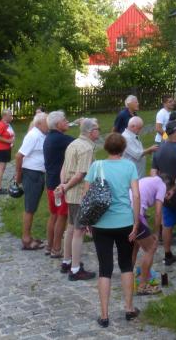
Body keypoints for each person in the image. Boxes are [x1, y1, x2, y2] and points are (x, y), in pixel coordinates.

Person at [84, 133, 141, 327]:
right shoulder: (129, 166)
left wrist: (88, 221)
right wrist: (136, 222)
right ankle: (129, 308)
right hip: (124, 221)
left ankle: (104, 314)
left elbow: (87, 195)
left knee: (104, 268)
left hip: (101, 223)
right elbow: (136, 194)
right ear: (123, 149)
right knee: (126, 265)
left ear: (106, 148)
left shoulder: (96, 166)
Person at [56, 118, 99, 281]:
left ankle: (67, 261)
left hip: (70, 192)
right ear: (91, 131)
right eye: (98, 129)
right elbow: (81, 174)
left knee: (72, 227)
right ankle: (75, 269)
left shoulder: (73, 144)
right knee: (79, 231)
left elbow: (64, 168)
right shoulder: (87, 148)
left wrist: (63, 185)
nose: (99, 132)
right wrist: (65, 187)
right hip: (79, 193)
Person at [151, 120, 176, 265]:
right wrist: (173, 189)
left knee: (167, 226)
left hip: (165, 196)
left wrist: (161, 190)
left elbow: (154, 172)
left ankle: (167, 254)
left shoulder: (159, 149)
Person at [42, 111, 76, 258]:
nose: (67, 122)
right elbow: (81, 143)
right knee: (61, 216)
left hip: (50, 182)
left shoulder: (49, 137)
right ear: (58, 124)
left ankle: (49, 246)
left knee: (54, 215)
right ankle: (56, 248)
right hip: (59, 185)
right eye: (64, 120)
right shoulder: (60, 139)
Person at [15, 112, 48, 250]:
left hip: (37, 173)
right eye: (47, 121)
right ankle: (26, 239)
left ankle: (29, 236)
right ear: (39, 123)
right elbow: (19, 156)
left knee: (32, 207)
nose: (49, 124)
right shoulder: (34, 135)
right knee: (30, 207)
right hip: (32, 173)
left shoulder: (41, 134)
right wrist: (18, 176)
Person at [133, 173, 166, 295]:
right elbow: (158, 213)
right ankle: (143, 285)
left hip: (124, 212)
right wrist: (156, 233)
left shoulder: (147, 180)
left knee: (135, 246)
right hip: (135, 214)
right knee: (151, 247)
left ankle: (129, 279)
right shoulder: (162, 185)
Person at [0, 109, 15, 194]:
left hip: (5, 149)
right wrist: (9, 141)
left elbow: (10, 135)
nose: (11, 117)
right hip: (0, 149)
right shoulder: (1, 125)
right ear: (4, 116)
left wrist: (11, 142)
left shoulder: (7, 125)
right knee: (0, 169)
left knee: (1, 168)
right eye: (10, 115)